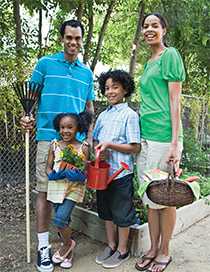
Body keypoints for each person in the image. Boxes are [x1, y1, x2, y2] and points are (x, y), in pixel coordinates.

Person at [20, 19, 94, 272]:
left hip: (76, 145)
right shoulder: (45, 64)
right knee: (44, 193)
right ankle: (43, 249)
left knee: (66, 197)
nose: (73, 42)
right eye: (69, 37)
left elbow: (88, 109)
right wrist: (27, 118)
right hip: (47, 139)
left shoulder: (86, 74)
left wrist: (90, 139)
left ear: (82, 41)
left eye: (77, 38)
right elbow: (31, 98)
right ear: (62, 38)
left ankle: (66, 245)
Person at [135, 13, 185, 272]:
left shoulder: (170, 56)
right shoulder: (148, 62)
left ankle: (165, 251)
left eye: (155, 25)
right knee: (150, 198)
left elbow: (175, 102)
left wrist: (175, 144)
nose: (149, 29)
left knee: (166, 198)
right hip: (146, 138)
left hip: (165, 138)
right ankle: (152, 247)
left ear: (164, 29)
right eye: (146, 26)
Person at [93, 70, 141, 269]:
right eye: (107, 88)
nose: (110, 91)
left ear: (125, 89)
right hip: (102, 172)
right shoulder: (103, 115)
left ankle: (122, 250)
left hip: (121, 173)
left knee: (121, 212)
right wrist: (99, 149)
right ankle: (111, 245)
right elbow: (96, 139)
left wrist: (110, 146)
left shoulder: (130, 115)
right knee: (105, 211)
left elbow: (135, 147)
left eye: (115, 87)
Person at [46, 111, 92, 269]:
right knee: (65, 221)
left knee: (59, 219)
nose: (65, 130)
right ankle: (70, 253)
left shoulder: (83, 147)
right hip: (56, 187)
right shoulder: (54, 145)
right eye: (62, 127)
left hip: (73, 188)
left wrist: (79, 175)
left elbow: (85, 171)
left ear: (77, 128)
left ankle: (67, 244)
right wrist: (52, 174)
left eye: (70, 127)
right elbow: (48, 167)